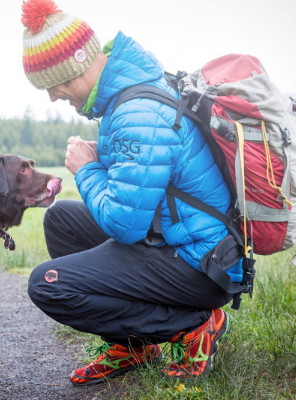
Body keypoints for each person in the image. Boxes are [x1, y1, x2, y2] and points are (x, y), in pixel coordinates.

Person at [20, 0, 243, 385]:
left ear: (71, 68)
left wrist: (86, 168)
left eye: (51, 85)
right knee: (62, 219)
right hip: (184, 243)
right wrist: (105, 158)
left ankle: (192, 326)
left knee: (47, 285)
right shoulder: (131, 95)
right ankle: (132, 345)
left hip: (199, 266)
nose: (54, 97)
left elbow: (124, 226)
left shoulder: (136, 113)